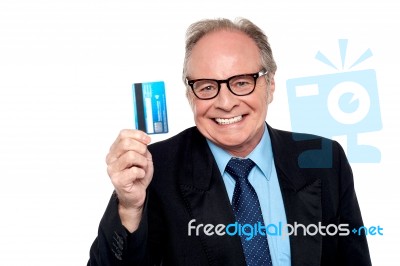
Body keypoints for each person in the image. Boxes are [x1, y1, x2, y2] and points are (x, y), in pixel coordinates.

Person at [88, 18, 372, 266]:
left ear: (270, 84)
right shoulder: (154, 169)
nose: (225, 103)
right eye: (208, 87)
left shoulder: (325, 159)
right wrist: (129, 207)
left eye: (241, 82)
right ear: (190, 94)